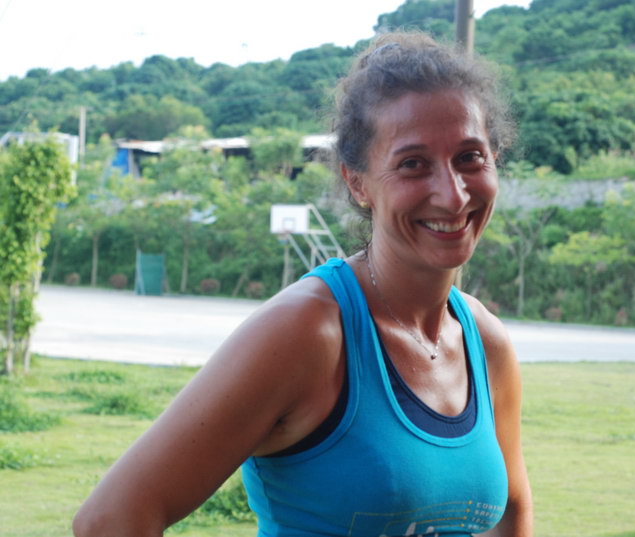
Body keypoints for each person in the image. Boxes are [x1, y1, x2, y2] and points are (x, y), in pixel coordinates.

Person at [73, 32, 533, 537]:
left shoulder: (485, 341)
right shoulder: (307, 331)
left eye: (470, 157)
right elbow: (111, 519)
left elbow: (512, 509)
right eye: (412, 164)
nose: (453, 194)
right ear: (357, 182)